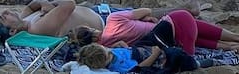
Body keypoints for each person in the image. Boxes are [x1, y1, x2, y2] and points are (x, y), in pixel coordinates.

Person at [70, 8, 239, 55]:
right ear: (92, 28)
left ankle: (231, 47)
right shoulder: (114, 18)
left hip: (172, 33)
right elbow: (146, 10)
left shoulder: (108, 46)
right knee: (230, 39)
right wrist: (144, 18)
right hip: (174, 23)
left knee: (216, 46)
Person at [0, 0, 104, 38]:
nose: (5, 11)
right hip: (104, 18)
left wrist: (44, 3)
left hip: (92, 9)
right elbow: (69, 4)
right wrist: (50, 5)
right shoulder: (37, 28)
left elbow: (33, 4)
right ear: (12, 31)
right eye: (3, 17)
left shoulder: (24, 20)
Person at [76, 43, 209, 74]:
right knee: (185, 60)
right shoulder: (118, 66)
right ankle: (205, 62)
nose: (110, 50)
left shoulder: (110, 51)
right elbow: (141, 67)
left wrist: (123, 46)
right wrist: (154, 54)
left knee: (176, 50)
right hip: (159, 61)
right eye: (108, 52)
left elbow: (124, 49)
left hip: (150, 51)